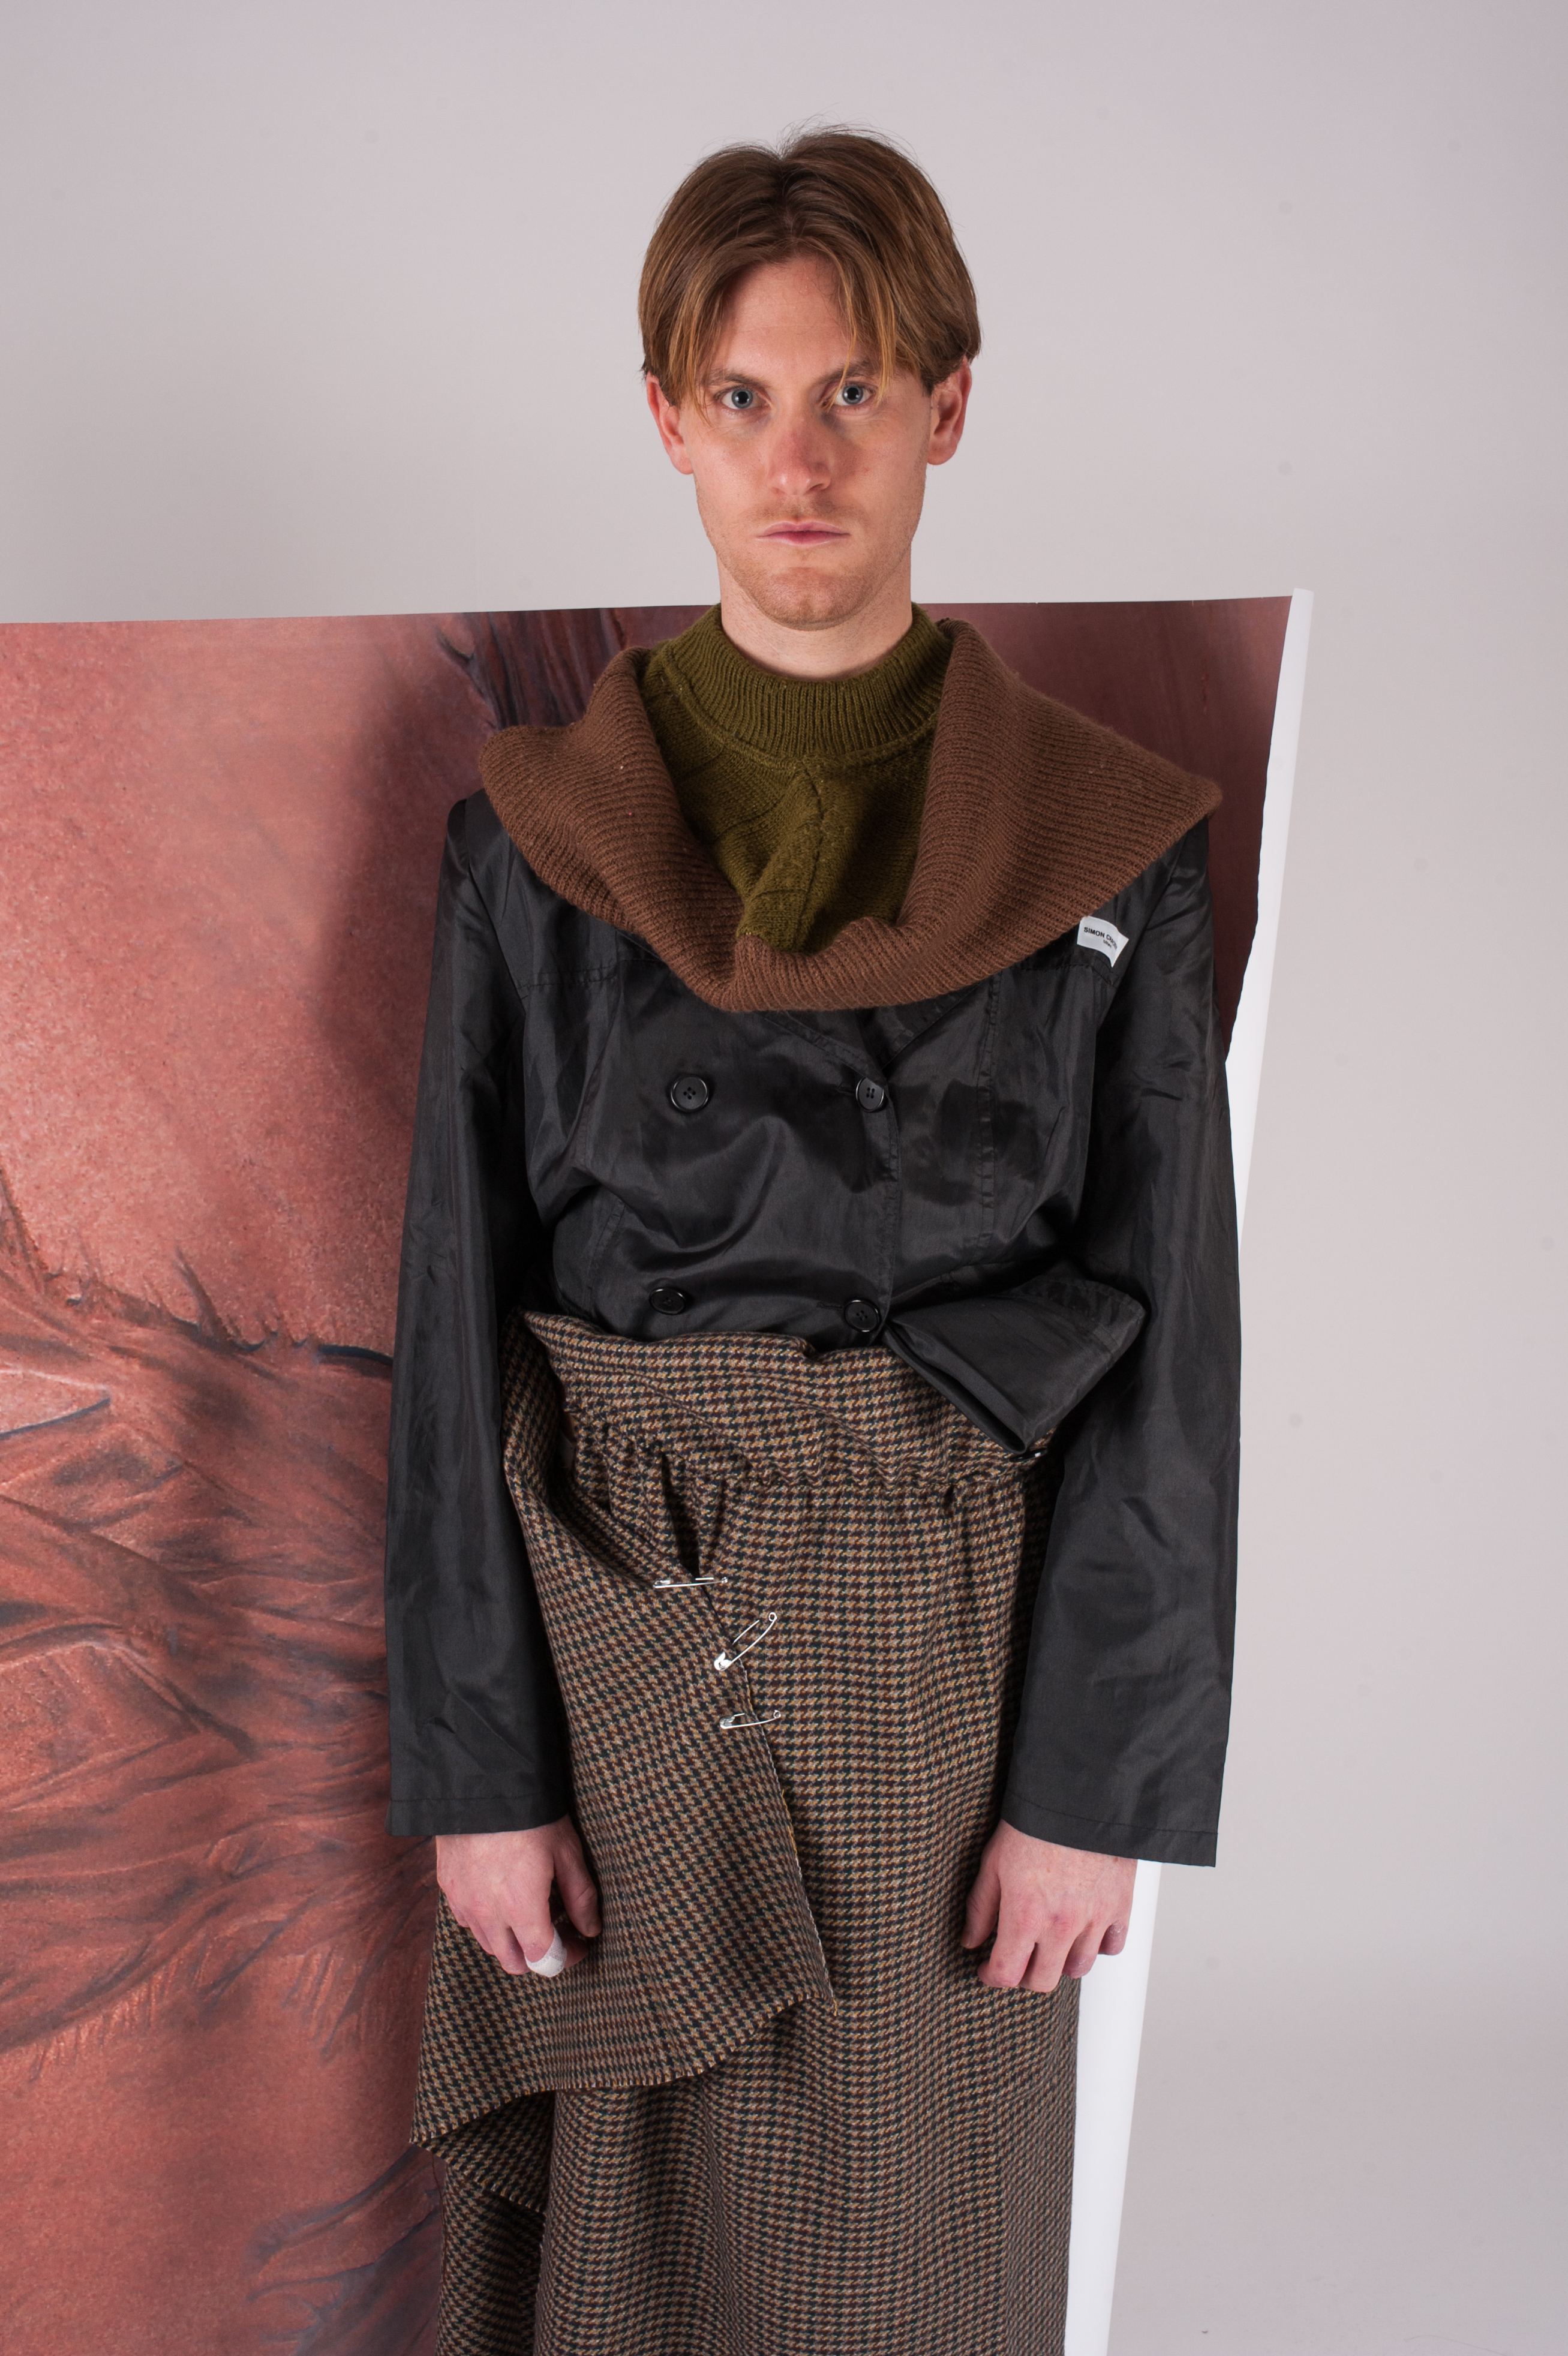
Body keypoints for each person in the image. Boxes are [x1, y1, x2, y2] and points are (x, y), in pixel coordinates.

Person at [384, 127, 1239, 2356]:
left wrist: (1090, 1794)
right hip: (618, 1633)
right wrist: (484, 1775)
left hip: (952, 1683)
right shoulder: (532, 848)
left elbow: (1174, 1342)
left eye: (853, 391)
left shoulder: (1113, 849)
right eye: (744, 397)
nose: (800, 459)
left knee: (911, 2270)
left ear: (948, 407)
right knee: (627, 2273)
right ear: (667, 422)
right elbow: (456, 1321)